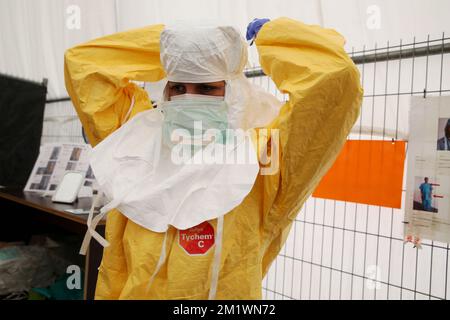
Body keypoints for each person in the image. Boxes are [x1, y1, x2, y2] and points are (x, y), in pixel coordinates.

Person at [64, 17, 363, 299]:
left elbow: (334, 81)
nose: (189, 98)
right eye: (178, 87)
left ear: (233, 92)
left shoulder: (264, 161)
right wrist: (173, 46)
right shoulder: (134, 141)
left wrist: (276, 38)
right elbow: (84, 65)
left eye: (206, 88)